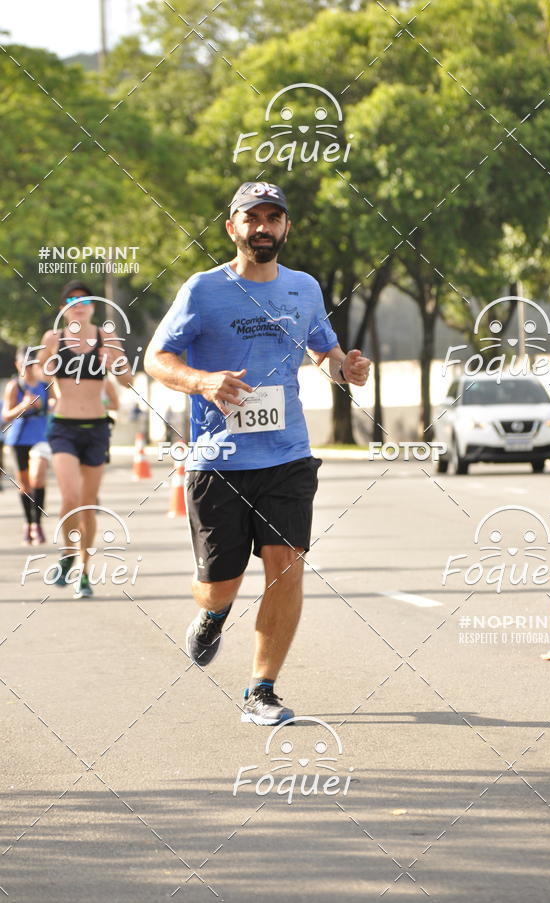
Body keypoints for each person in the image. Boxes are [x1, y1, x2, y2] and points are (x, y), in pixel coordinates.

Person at [145, 180, 370, 726]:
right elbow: (155, 359)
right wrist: (201, 382)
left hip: (287, 456)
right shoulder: (202, 290)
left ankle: (261, 691)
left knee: (286, 569)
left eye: (273, 217)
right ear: (233, 227)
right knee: (218, 583)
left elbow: (323, 352)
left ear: (286, 227)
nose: (263, 227)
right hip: (218, 461)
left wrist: (346, 369)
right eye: (252, 218)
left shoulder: (305, 289)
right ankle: (213, 615)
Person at [36, 281, 132, 598]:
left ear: (94, 306)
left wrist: (114, 364)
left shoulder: (106, 338)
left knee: (88, 505)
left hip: (96, 428)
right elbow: (35, 373)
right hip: (63, 425)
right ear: (63, 308)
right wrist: (46, 368)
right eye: (72, 300)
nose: (79, 304)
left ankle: (84, 570)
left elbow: (127, 379)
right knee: (70, 497)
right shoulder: (53, 338)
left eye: (85, 300)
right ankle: (66, 553)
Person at [2, 348, 51, 544]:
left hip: (40, 436)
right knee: (25, 484)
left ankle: (37, 524)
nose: (28, 369)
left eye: (31, 364)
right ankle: (28, 522)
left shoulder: (45, 385)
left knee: (38, 477)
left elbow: (55, 404)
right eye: (24, 365)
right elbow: (6, 415)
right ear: (17, 365)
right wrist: (23, 406)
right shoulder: (15, 386)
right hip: (19, 438)